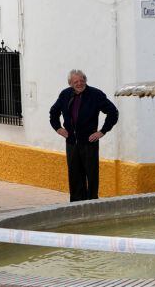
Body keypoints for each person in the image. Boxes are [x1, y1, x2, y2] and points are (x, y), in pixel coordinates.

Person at [48, 69, 119, 201]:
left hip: (89, 143)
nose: (79, 83)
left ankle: (92, 203)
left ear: (85, 80)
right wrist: (58, 128)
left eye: (82, 80)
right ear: (70, 83)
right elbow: (53, 112)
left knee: (91, 176)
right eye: (76, 81)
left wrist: (102, 131)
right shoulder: (65, 94)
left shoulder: (95, 94)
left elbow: (113, 112)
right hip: (71, 143)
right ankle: (75, 204)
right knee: (74, 176)